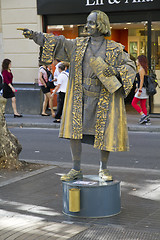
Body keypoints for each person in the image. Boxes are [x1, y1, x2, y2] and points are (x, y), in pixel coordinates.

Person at [20, 10, 136, 181]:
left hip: (103, 97)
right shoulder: (78, 45)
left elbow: (130, 66)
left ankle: (103, 169)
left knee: (105, 132)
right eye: (87, 22)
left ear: (101, 25)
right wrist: (35, 36)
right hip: (80, 97)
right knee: (75, 131)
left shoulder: (115, 48)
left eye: (91, 22)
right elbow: (58, 42)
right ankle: (76, 168)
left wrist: (117, 70)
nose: (87, 26)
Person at [131, 55, 150, 124]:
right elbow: (140, 81)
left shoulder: (141, 69)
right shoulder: (144, 69)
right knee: (142, 104)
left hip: (142, 90)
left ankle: (143, 115)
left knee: (133, 103)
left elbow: (141, 80)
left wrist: (140, 90)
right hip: (143, 89)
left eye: (137, 60)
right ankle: (145, 119)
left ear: (140, 61)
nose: (136, 61)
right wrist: (137, 88)